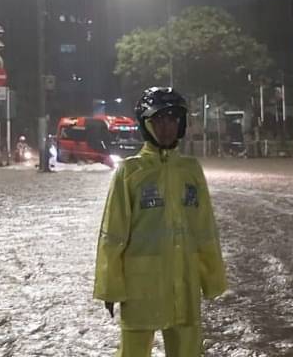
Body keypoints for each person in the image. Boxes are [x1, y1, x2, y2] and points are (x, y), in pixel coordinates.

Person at [93, 87, 227, 357]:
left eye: (172, 119)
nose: (166, 127)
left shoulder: (191, 171)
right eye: (159, 120)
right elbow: (113, 234)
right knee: (133, 352)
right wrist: (109, 287)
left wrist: (213, 279)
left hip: (184, 281)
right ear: (146, 124)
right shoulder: (130, 173)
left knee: (187, 350)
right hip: (140, 287)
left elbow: (205, 230)